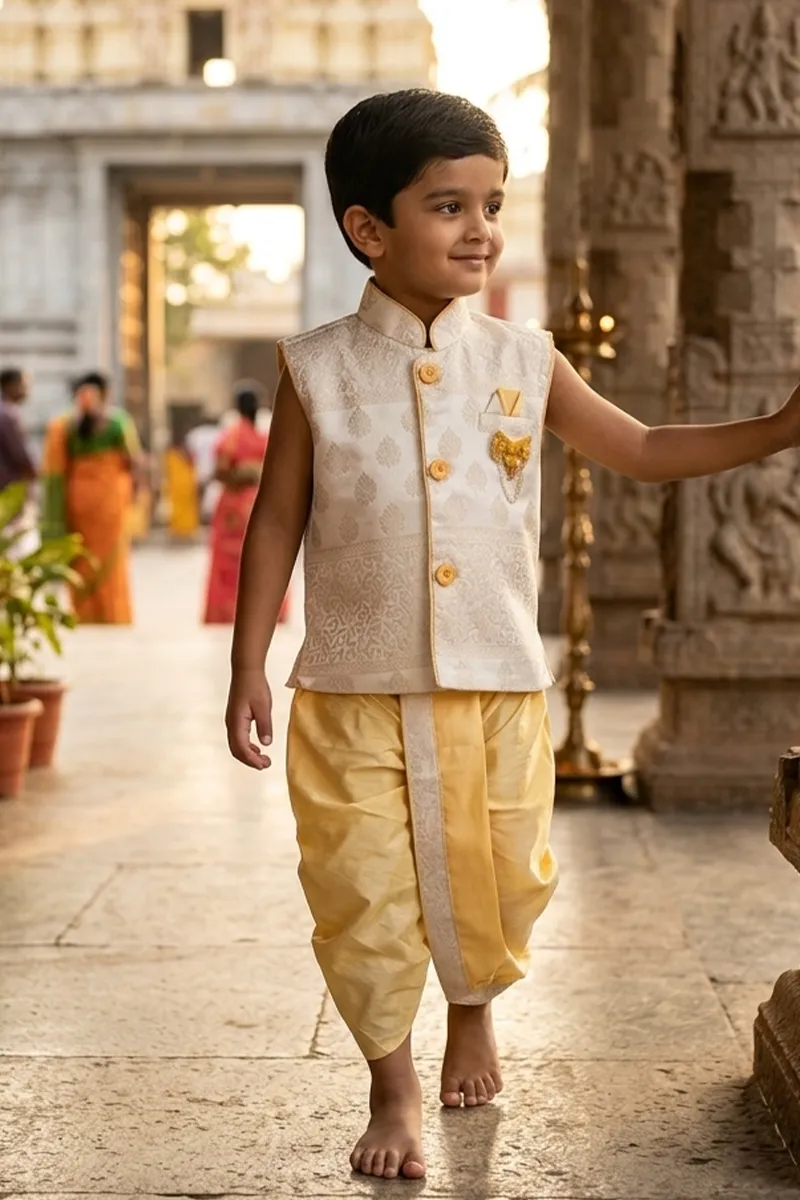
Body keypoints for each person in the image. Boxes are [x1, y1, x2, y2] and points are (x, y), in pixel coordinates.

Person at [223, 88, 800, 1182]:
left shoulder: (524, 358)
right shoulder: (315, 367)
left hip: (492, 672)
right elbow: (276, 522)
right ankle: (391, 1086)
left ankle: (472, 1008)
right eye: (447, 205)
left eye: (489, 202)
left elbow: (635, 448)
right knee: (358, 883)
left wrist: (773, 430)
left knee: (495, 867)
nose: (480, 227)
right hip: (350, 678)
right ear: (368, 229)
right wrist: (248, 662)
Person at [41, 371, 141, 624]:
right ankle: (113, 614)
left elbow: (57, 470)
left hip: (78, 501)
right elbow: (133, 460)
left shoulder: (65, 425)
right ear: (105, 394)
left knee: (82, 556)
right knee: (111, 559)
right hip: (110, 502)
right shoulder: (118, 421)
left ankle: (84, 614)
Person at [203, 382, 289, 624]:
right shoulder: (268, 436)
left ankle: (228, 611)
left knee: (230, 560)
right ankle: (269, 611)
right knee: (264, 557)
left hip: (234, 503)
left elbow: (220, 471)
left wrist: (240, 474)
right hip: (262, 501)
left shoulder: (231, 436)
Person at [0, 368, 39, 556]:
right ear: (10, 386)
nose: (26, 390)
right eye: (23, 385)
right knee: (17, 549)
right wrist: (35, 472)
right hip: (11, 491)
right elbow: (22, 457)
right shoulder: (8, 415)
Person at [164, 434, 200, 540]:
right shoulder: (173, 455)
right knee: (178, 508)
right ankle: (180, 529)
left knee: (184, 508)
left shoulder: (177, 454)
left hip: (183, 485)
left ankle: (185, 530)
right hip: (178, 486)